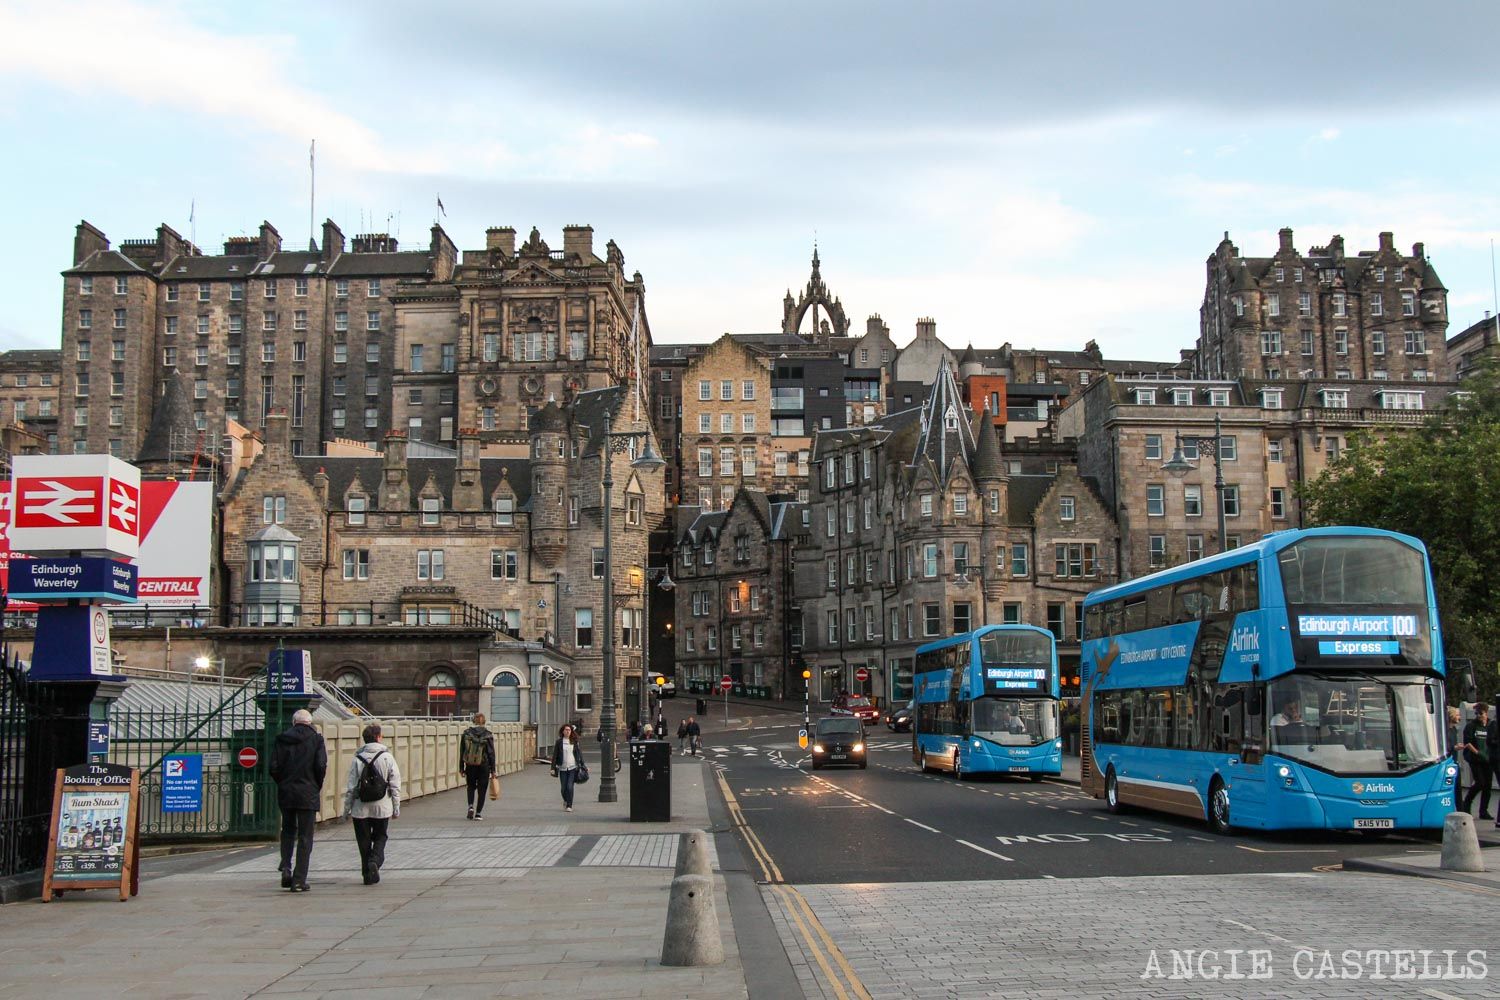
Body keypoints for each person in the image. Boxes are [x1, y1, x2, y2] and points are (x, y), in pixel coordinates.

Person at [270, 708, 327, 892]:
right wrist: (315, 785)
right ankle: (299, 879)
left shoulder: (281, 739)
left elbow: (274, 767)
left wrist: (283, 782)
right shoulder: (317, 739)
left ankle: (286, 867)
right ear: (309, 723)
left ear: (294, 722)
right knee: (305, 836)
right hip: (308, 792)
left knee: (287, 830)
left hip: (286, 791)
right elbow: (320, 765)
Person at [344, 722, 401, 885]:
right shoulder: (387, 757)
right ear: (378, 737)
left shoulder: (357, 758)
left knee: (363, 840)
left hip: (360, 807)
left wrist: (346, 809)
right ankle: (375, 861)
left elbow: (351, 786)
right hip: (382, 806)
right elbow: (395, 783)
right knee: (381, 836)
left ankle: (367, 875)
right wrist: (396, 806)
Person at [459, 713, 496, 821]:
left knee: (470, 787)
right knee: (482, 789)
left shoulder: (466, 733)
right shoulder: (488, 735)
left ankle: (470, 806)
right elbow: (491, 753)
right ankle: (478, 814)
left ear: (473, 721)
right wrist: (493, 769)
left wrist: (461, 767)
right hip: (484, 765)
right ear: (484, 722)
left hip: (470, 764)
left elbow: (462, 751)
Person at [1459, 702, 1492, 820]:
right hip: (1475, 759)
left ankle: (1484, 811)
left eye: (1481, 713)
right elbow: (1468, 743)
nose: (1478, 715)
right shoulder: (1471, 726)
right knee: (1480, 783)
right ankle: (1467, 803)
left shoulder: (1490, 725)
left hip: (1488, 759)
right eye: (1476, 713)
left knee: (1488, 785)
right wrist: (1478, 753)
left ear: (1486, 713)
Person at [550, 723, 582, 812]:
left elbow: (579, 754)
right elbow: (555, 755)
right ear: (563, 731)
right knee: (563, 788)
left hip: (572, 767)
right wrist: (552, 768)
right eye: (566, 730)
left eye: (569, 730)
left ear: (571, 732)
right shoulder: (559, 742)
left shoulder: (574, 741)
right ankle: (565, 800)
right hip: (562, 768)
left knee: (569, 787)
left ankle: (569, 805)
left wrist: (583, 765)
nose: (567, 731)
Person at [1447, 706, 1465, 804]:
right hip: (1448, 763)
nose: (1459, 717)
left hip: (1455, 761)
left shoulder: (1454, 729)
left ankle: (1460, 808)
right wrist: (1454, 747)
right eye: (1457, 715)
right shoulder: (1445, 730)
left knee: (1458, 788)